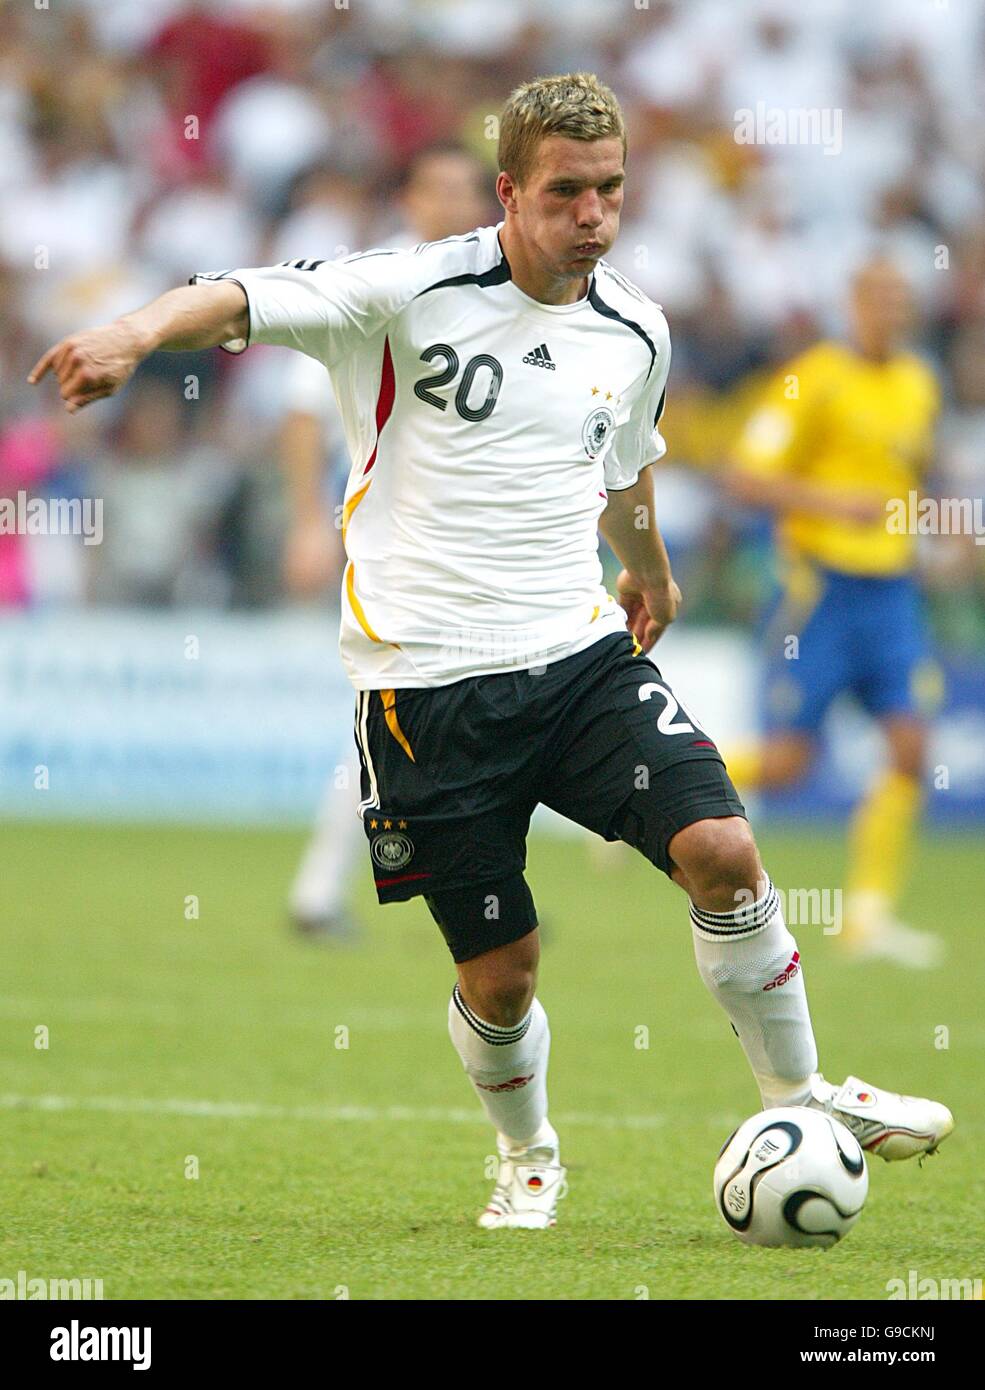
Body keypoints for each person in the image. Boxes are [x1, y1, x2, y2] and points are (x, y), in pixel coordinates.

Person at [29, 73, 953, 1231]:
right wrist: (129, 331)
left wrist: (651, 571)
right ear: (509, 191)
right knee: (500, 971)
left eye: (611, 190)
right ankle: (526, 1154)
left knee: (722, 847)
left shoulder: (634, 326)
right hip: (422, 687)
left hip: (575, 659)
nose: (595, 216)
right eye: (567, 192)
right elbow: (236, 295)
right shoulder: (407, 289)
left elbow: (624, 463)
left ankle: (802, 1091)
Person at [281, 145, 491, 939]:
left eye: (458, 190)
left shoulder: (499, 298)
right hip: (394, 544)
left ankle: (477, 886)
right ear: (407, 195)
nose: (443, 203)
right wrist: (307, 519)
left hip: (472, 549)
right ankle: (322, 891)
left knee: (442, 716)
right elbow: (301, 412)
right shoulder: (370, 286)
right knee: (392, 713)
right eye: (429, 186)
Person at [726, 260, 943, 969]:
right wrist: (830, 505)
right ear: (850, 303)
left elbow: (910, 473)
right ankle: (649, 778)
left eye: (900, 299)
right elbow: (743, 476)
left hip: (890, 592)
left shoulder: (917, 383)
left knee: (910, 747)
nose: (891, 310)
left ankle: (867, 920)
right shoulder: (810, 379)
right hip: (817, 588)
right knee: (789, 765)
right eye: (878, 297)